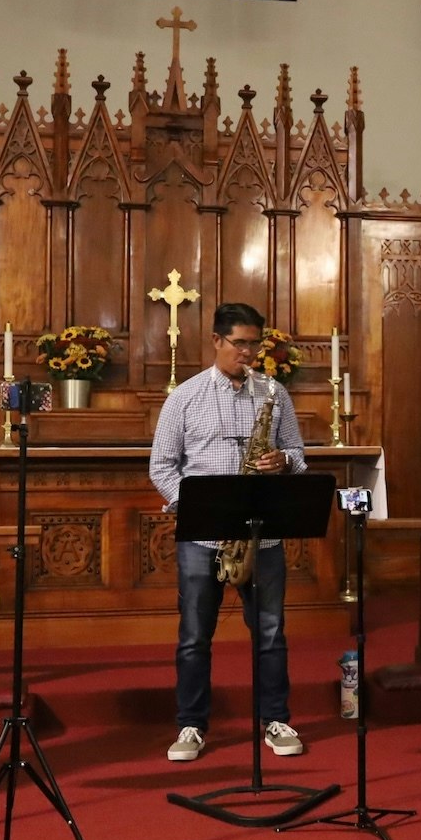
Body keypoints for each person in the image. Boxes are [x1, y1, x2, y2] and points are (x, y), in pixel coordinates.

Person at [149, 302, 310, 763]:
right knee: (195, 635)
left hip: (263, 535)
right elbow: (161, 466)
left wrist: (285, 462)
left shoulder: (274, 393)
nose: (249, 353)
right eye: (240, 343)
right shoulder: (185, 396)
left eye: (254, 344)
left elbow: (298, 454)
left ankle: (275, 719)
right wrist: (198, 508)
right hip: (204, 535)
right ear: (216, 341)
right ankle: (191, 724)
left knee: (271, 632)